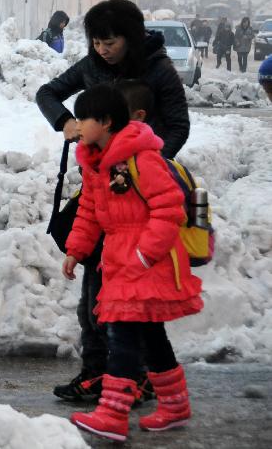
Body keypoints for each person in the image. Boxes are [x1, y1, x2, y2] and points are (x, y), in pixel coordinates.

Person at [36, 0, 189, 404]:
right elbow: (48, 93)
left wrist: (142, 163)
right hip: (101, 193)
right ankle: (101, 371)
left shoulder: (157, 69)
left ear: (132, 37)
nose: (103, 50)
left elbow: (178, 126)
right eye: (97, 42)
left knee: (133, 298)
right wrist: (66, 122)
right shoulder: (91, 67)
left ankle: (131, 375)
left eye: (111, 42)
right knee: (96, 291)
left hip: (141, 199)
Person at [62, 84, 202, 442]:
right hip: (120, 257)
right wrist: (76, 249)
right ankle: (174, 404)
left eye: (84, 118)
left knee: (121, 332)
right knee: (149, 334)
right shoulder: (95, 162)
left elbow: (169, 207)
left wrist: (145, 253)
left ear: (106, 122)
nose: (77, 125)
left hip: (145, 259)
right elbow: (90, 211)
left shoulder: (141, 159)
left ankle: (113, 412)